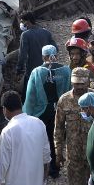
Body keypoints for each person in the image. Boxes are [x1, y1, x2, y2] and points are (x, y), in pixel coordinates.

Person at [23, 45, 71, 178]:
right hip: (60, 110)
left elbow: (31, 95)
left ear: (43, 56)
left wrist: (27, 114)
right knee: (57, 138)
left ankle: (42, 167)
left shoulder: (37, 72)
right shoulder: (66, 70)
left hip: (42, 112)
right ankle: (55, 168)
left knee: (43, 139)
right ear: (56, 55)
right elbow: (70, 90)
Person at [14, 12, 56, 104]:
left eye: (22, 21)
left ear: (27, 22)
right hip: (47, 69)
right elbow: (55, 48)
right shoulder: (46, 33)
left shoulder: (25, 35)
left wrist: (19, 70)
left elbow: (23, 55)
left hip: (32, 71)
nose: (21, 24)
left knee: (27, 96)